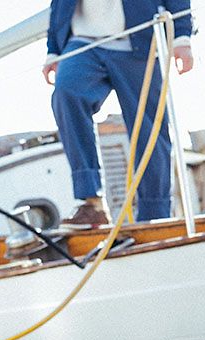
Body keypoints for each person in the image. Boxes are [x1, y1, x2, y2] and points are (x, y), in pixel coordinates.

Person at [42, 0, 194, 228]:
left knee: (149, 128)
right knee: (67, 93)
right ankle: (92, 202)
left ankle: (155, 215)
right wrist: (53, 49)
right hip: (83, 42)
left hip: (139, 38)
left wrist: (182, 36)